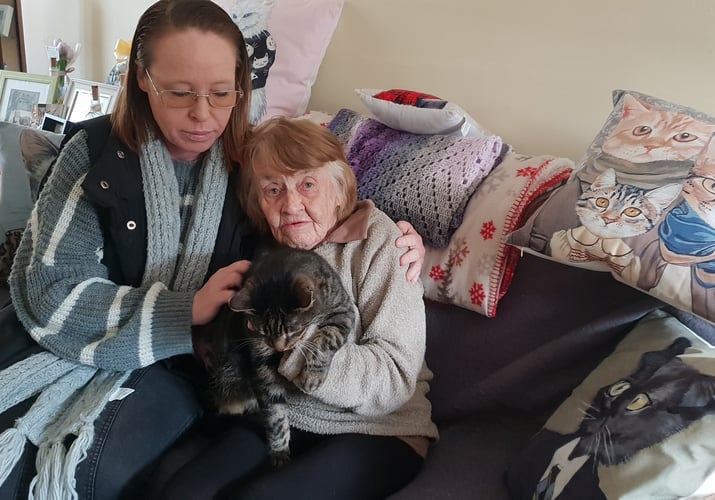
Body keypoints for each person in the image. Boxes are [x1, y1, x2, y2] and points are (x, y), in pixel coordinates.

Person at [0, 1, 425, 498]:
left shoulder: (244, 159)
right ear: (143, 78)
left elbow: (328, 192)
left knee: (93, 474)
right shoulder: (95, 155)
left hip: (197, 373)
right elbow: (50, 287)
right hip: (89, 343)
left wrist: (413, 247)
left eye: (222, 94)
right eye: (180, 93)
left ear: (242, 87)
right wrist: (185, 311)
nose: (203, 116)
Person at [146, 116, 438, 500]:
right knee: (184, 493)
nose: (291, 204)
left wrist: (296, 351)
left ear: (338, 188)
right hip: (282, 414)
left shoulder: (384, 244)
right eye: (272, 189)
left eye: (307, 184)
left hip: (377, 427)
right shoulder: (263, 247)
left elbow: (396, 377)